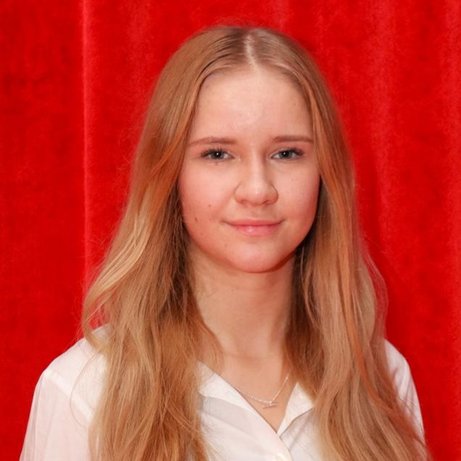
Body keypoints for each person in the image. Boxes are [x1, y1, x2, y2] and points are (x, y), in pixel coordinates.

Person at [21, 26, 429, 460]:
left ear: (325, 173)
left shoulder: (381, 377)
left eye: (287, 153)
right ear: (170, 175)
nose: (257, 189)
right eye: (217, 154)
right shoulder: (84, 391)